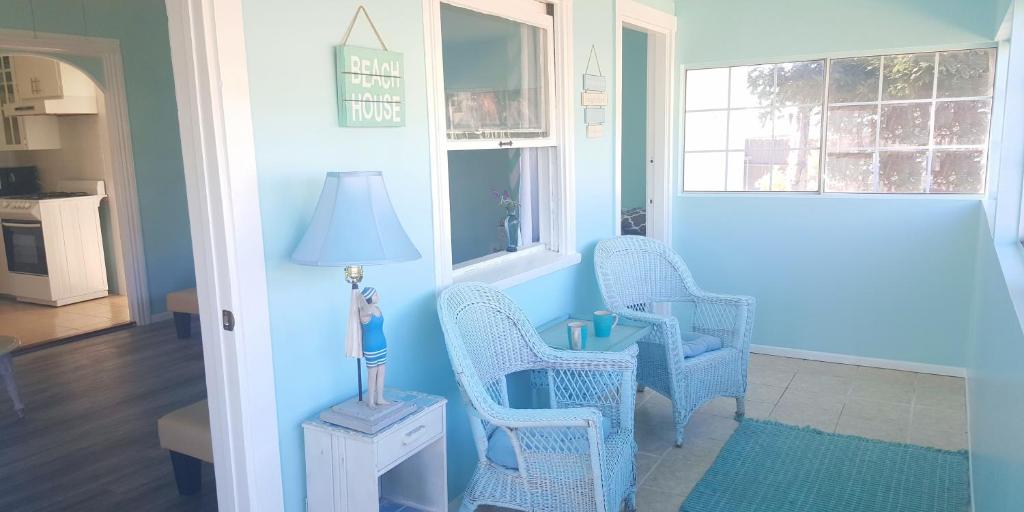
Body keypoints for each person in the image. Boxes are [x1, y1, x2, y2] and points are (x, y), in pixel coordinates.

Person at [353, 286, 389, 408]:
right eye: (375, 294)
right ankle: (371, 400)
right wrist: (360, 296)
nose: (378, 296)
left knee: (381, 372)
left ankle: (380, 398)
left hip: (382, 344)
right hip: (371, 347)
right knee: (372, 373)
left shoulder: (377, 309)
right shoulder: (364, 312)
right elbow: (365, 307)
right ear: (368, 297)